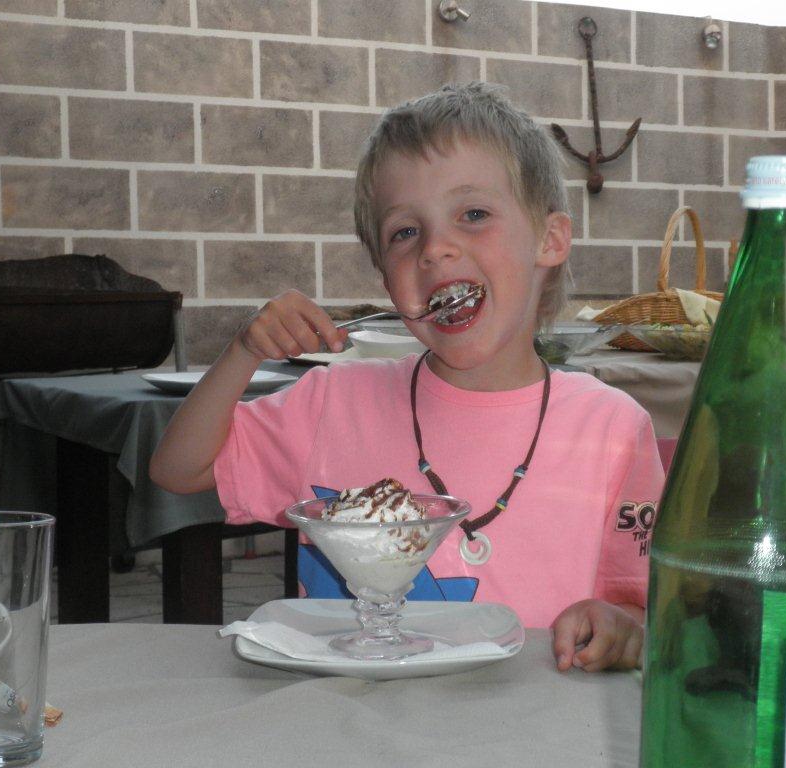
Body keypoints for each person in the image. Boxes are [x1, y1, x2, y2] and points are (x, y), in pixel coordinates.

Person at [150, 82, 664, 673]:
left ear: (550, 240)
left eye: (474, 215)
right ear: (384, 275)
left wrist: (622, 628)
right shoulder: (333, 403)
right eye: (405, 232)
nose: (436, 249)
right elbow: (176, 470)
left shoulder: (613, 430)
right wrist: (243, 352)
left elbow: (641, 606)